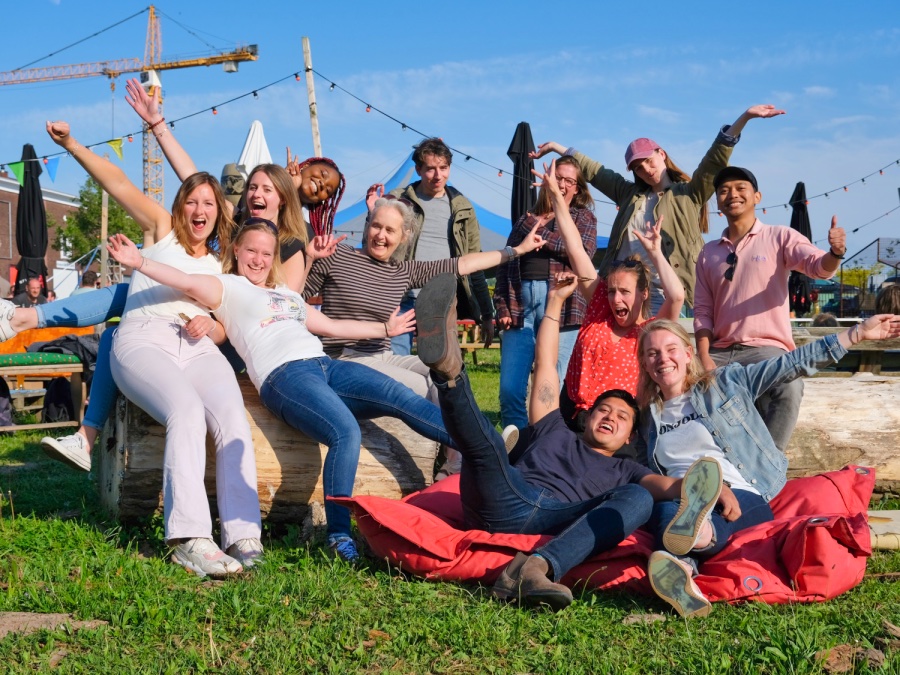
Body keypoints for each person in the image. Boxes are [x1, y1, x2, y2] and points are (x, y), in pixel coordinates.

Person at [104, 220, 457, 565]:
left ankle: (477, 446)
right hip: (284, 376)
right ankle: (338, 536)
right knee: (345, 432)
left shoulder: (286, 293)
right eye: (251, 251)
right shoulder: (227, 286)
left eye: (266, 253)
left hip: (325, 365)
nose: (258, 260)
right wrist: (140, 262)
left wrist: (385, 328)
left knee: (400, 395)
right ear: (236, 251)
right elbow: (183, 280)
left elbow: (330, 325)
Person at [412, 272, 726, 611]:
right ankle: (449, 373)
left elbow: (668, 487)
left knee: (640, 498)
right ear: (587, 417)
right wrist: (554, 303)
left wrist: (708, 487)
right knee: (487, 446)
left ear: (630, 436)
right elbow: (547, 364)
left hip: (557, 518)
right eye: (603, 410)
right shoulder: (554, 427)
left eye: (622, 417)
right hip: (505, 497)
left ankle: (534, 569)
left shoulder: (627, 471)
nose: (610, 417)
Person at [44, 120, 262, 578]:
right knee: (186, 409)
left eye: (209, 203)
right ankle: (189, 540)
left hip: (198, 347)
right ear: (180, 207)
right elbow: (118, 182)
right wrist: (71, 143)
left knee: (232, 419)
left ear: (218, 212)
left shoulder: (222, 261)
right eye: (192, 201)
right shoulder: (160, 231)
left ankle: (244, 536)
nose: (200, 209)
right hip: (144, 339)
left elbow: (229, 322)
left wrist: (213, 325)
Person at [635, 315, 900, 617]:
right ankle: (685, 571)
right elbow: (642, 471)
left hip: (743, 491)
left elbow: (789, 365)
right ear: (645, 364)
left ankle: (697, 539)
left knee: (698, 520)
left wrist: (856, 334)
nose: (663, 359)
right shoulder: (647, 418)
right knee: (665, 512)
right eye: (652, 353)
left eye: (671, 349)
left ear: (687, 353)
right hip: (683, 494)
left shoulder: (725, 383)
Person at [303, 196, 546, 479]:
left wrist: (515, 251)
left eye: (390, 230)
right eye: (376, 226)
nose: (381, 236)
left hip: (383, 355)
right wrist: (309, 258)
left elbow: (462, 264)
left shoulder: (402, 272)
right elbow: (293, 295)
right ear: (367, 226)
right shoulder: (338, 257)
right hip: (343, 359)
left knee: (449, 373)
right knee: (421, 385)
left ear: (404, 236)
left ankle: (454, 464)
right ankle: (480, 450)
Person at [530, 105, 785, 313]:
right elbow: (596, 171)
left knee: (663, 352)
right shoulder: (629, 194)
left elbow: (713, 162)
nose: (646, 170)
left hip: (668, 292)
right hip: (625, 290)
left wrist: (744, 118)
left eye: (648, 161)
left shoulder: (688, 193)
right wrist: (557, 148)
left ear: (661, 154)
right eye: (638, 168)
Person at [694, 166, 846, 453]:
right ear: (717, 203)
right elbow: (702, 311)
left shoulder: (779, 237)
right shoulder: (708, 252)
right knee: (680, 386)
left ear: (757, 197)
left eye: (741, 188)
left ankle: (769, 465)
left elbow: (818, 267)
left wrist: (835, 253)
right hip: (719, 351)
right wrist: (703, 357)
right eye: (724, 190)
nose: (732, 194)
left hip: (766, 349)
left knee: (790, 386)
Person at [531, 161, 683, 444]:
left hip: (616, 429)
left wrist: (655, 253)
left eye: (625, 292)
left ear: (643, 294)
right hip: (571, 414)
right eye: (612, 291)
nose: (616, 298)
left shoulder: (650, 331)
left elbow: (676, 297)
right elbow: (575, 247)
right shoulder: (600, 307)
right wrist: (556, 197)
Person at [493, 156, 597, 431]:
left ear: (577, 188)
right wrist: (501, 306)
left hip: (563, 310)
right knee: (510, 390)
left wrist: (538, 233)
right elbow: (505, 262)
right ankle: (517, 447)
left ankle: (544, 445)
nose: (561, 184)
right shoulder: (525, 220)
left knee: (551, 388)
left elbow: (581, 253)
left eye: (569, 181)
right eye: (557, 177)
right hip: (519, 309)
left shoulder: (583, 217)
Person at [369, 137, 494, 356]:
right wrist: (372, 215)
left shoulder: (463, 207)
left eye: (443, 168)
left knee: (442, 363)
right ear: (418, 169)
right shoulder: (397, 202)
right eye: (430, 169)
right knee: (395, 360)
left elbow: (475, 262)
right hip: (401, 296)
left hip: (441, 298)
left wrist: (487, 314)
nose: (438, 175)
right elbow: (373, 249)